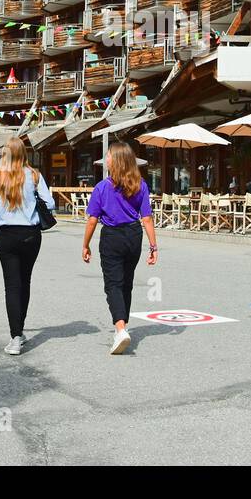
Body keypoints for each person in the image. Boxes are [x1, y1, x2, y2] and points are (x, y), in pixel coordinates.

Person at [81, 141, 158, 355]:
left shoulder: (102, 187)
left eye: (108, 156)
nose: (105, 159)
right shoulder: (140, 184)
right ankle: (123, 325)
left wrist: (85, 244)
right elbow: (148, 218)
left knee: (113, 284)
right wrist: (153, 246)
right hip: (134, 235)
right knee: (126, 283)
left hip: (112, 237)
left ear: (115, 161)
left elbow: (92, 220)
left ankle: (120, 328)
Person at [0, 138, 54, 356]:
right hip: (31, 235)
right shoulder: (34, 175)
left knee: (12, 286)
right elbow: (49, 203)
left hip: (8, 236)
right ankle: (19, 330)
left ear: (5, 154)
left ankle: (15, 336)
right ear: (24, 153)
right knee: (25, 281)